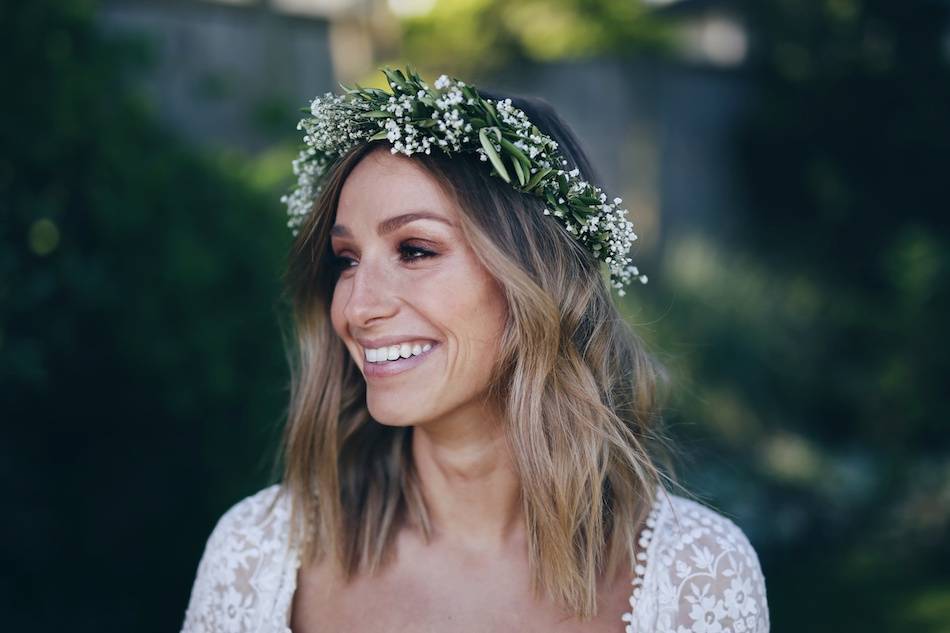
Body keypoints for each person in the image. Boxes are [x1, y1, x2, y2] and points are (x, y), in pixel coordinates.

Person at [180, 66, 770, 633]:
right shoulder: (257, 555)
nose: (358, 308)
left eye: (414, 250)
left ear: (536, 280)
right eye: (346, 260)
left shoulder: (698, 577)